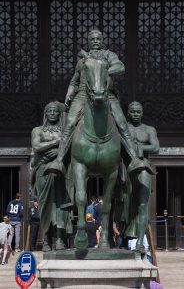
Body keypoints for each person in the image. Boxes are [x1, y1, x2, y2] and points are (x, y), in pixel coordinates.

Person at [48, 29, 153, 175]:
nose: (96, 41)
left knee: (122, 124)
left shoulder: (109, 55)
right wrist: (69, 92)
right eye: (93, 39)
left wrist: (101, 70)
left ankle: (134, 159)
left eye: (98, 39)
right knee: (70, 123)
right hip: (83, 94)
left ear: (102, 40)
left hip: (106, 94)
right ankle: (59, 161)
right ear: (89, 42)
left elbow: (120, 67)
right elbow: (74, 81)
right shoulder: (82, 61)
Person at [31, 101, 73, 251]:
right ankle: (46, 239)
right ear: (46, 113)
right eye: (50, 111)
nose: (53, 113)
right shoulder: (38, 130)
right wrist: (57, 142)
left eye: (56, 111)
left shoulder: (65, 131)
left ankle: (60, 239)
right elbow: (36, 146)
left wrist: (59, 152)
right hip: (43, 170)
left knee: (61, 205)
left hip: (60, 171)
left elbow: (72, 148)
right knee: (46, 204)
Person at [124, 101, 160, 253]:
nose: (135, 114)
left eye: (138, 111)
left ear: (142, 113)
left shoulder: (149, 129)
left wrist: (139, 147)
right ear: (128, 113)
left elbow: (156, 147)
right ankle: (121, 239)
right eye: (133, 111)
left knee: (142, 204)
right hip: (125, 168)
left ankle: (140, 241)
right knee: (123, 204)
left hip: (143, 166)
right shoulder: (123, 127)